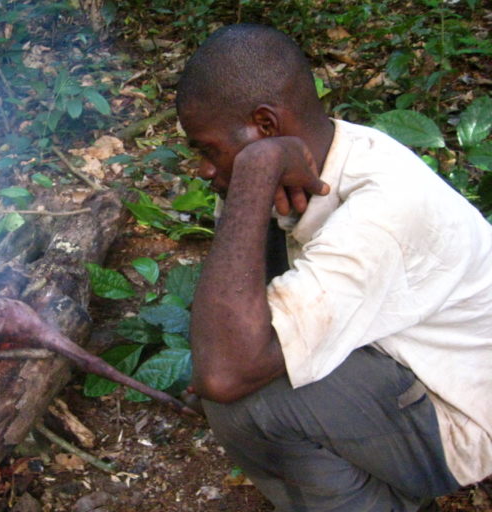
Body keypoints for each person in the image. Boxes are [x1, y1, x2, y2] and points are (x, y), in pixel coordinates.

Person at [176, 23, 492, 512]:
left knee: (244, 404)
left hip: (463, 412)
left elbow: (223, 373)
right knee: (244, 356)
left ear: (265, 127)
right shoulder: (318, 156)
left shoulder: (381, 207)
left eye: (209, 149)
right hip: (399, 357)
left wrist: (256, 171)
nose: (202, 169)